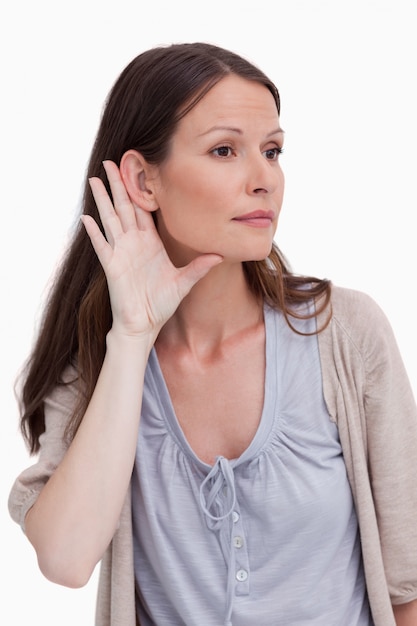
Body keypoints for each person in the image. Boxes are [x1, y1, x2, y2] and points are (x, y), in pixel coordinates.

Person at [8, 42, 417, 626]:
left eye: (272, 151)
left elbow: (408, 587)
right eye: (225, 150)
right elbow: (66, 560)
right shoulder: (99, 364)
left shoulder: (345, 332)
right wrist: (131, 335)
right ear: (143, 182)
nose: (264, 180)